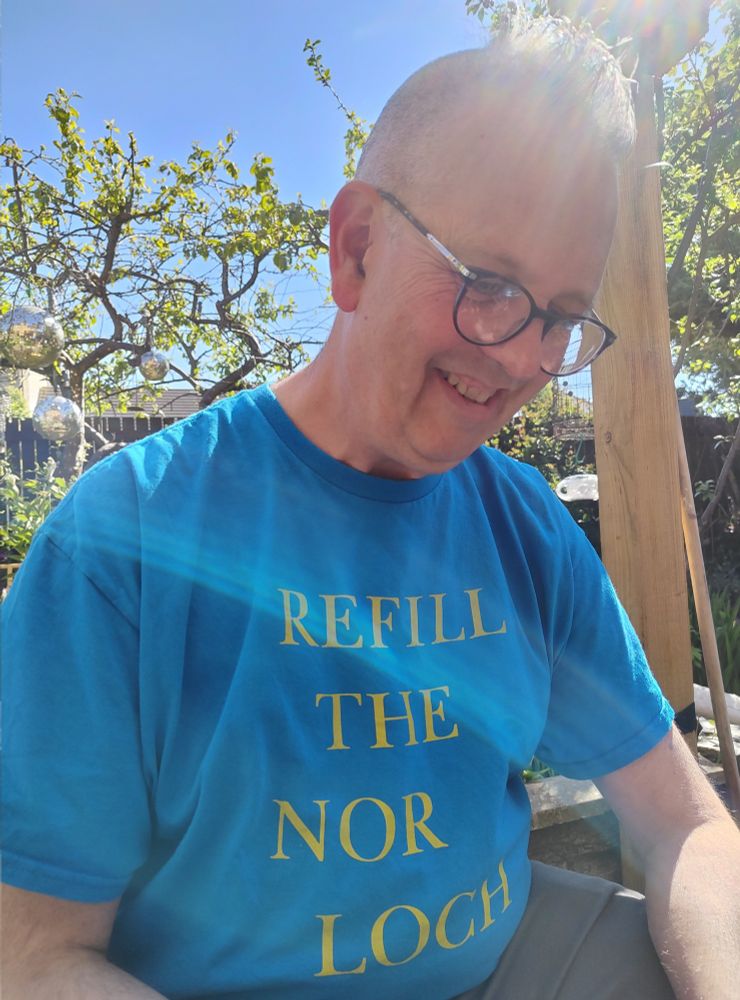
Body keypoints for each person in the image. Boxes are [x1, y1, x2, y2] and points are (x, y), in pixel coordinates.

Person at [2, 14, 739, 1000]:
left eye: (560, 317)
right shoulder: (124, 534)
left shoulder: (521, 521)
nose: (524, 360)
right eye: (489, 285)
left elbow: (684, 821)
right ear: (352, 248)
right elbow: (32, 950)